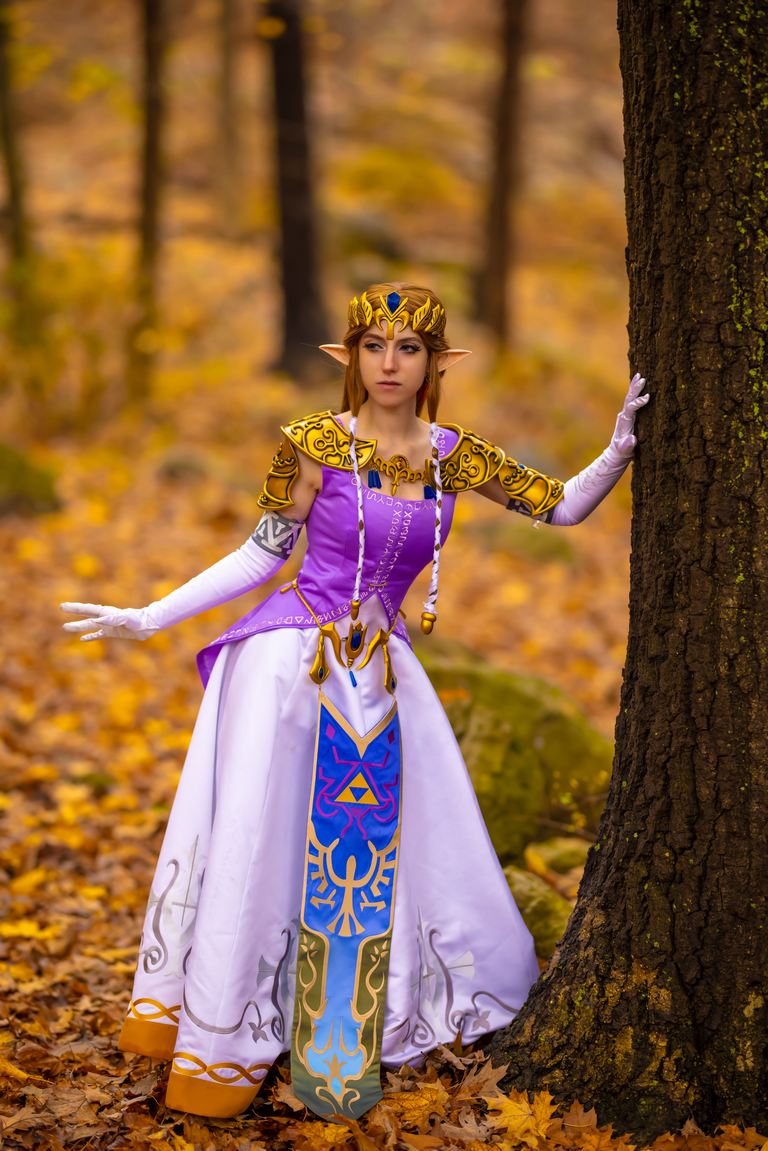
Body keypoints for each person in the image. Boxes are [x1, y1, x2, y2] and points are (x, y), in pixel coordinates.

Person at [61, 283, 649, 1122]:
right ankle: (230, 1027)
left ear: (436, 363)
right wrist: (151, 614)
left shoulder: (458, 456)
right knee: (266, 843)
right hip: (287, 668)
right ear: (351, 356)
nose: (389, 363)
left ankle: (353, 1018)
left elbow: (560, 505)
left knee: (393, 849)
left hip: (381, 672)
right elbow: (261, 555)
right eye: (373, 345)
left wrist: (620, 447)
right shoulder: (313, 444)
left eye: (408, 348)